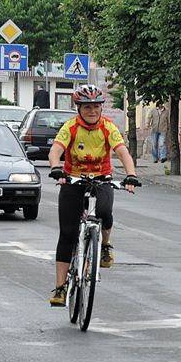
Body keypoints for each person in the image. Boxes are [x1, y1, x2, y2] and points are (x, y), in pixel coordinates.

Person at [47, 84, 141, 306]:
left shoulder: (108, 127)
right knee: (68, 233)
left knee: (105, 211)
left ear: (101, 108)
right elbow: (56, 150)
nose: (92, 111)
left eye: (96, 107)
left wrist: (131, 175)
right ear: (79, 108)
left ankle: (105, 245)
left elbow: (122, 152)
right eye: (87, 107)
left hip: (101, 178)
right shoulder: (70, 127)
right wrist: (55, 168)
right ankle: (60, 288)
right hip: (73, 179)